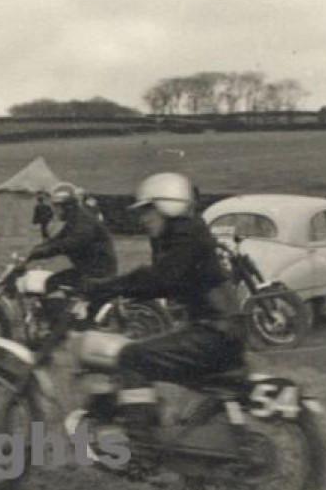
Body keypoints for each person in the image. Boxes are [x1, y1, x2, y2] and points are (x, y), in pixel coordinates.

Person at [83, 172, 246, 414]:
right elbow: (163, 282)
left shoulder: (186, 234)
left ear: (168, 205)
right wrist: (113, 289)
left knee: (130, 356)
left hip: (215, 335)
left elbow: (160, 278)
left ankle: (140, 438)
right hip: (215, 331)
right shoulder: (179, 234)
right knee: (140, 349)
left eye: (148, 210)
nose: (143, 218)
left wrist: (107, 287)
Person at [21, 181, 118, 294]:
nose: (56, 211)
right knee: (52, 282)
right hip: (88, 270)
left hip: (98, 274)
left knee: (54, 283)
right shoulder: (74, 220)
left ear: (68, 206)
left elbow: (69, 244)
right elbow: (56, 240)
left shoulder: (83, 222)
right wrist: (34, 250)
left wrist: (38, 253)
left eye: (58, 207)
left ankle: (61, 311)